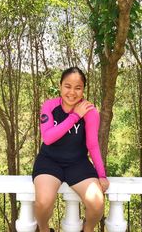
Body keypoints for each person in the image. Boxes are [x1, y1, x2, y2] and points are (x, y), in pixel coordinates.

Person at [32, 67, 110, 232]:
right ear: (60, 86)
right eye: (67, 86)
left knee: (97, 203)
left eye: (78, 88)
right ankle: (44, 229)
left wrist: (101, 175)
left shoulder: (90, 112)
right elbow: (48, 137)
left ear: (83, 90)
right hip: (49, 161)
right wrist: (75, 116)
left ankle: (86, 229)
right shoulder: (49, 106)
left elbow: (92, 145)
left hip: (78, 163)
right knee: (43, 201)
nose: (72, 92)